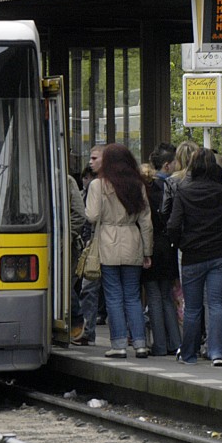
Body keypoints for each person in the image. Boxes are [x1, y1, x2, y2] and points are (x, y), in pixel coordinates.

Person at [168, 149, 222, 366]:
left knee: (193, 308)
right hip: (219, 255)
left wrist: (181, 243)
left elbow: (174, 224)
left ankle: (189, 354)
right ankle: (217, 352)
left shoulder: (184, 192)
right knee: (217, 304)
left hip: (193, 255)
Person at [85, 143, 153, 358]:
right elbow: (147, 222)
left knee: (113, 296)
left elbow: (92, 216)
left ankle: (119, 344)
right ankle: (141, 344)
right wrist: (147, 251)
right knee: (133, 296)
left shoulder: (98, 185)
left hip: (108, 242)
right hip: (133, 240)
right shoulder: (138, 185)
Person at [142, 156, 180, 356]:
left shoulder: (145, 194)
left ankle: (160, 344)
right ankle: (175, 342)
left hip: (152, 246)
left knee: (154, 296)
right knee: (167, 296)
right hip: (168, 246)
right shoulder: (170, 187)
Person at [76, 147, 104, 345]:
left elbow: (90, 216)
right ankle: (135, 338)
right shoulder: (127, 183)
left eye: (95, 158)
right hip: (123, 245)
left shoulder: (96, 185)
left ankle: (88, 331)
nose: (91, 161)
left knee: (89, 287)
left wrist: (87, 238)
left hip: (99, 242)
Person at [67, 172, 89, 343]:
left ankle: (77, 320)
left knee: (64, 284)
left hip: (64, 245)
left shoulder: (66, 181)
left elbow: (80, 215)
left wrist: (64, 237)